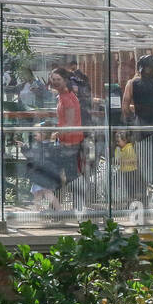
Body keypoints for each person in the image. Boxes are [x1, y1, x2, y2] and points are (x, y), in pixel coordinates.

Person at [48, 68, 85, 211]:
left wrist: (55, 133)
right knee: (67, 175)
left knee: (66, 175)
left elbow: (70, 124)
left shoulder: (67, 98)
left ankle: (61, 208)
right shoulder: (66, 95)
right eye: (54, 79)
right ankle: (71, 206)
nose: (55, 82)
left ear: (64, 80)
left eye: (58, 79)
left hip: (69, 141)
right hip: (68, 140)